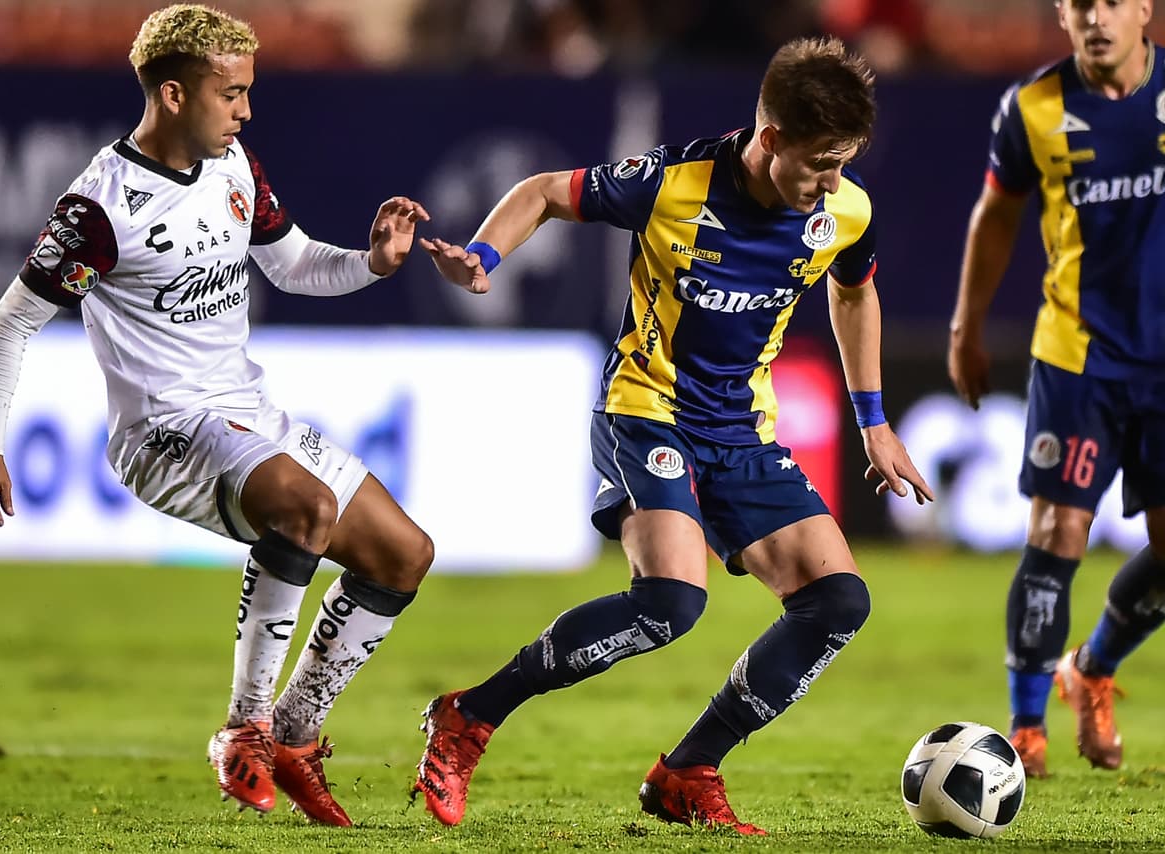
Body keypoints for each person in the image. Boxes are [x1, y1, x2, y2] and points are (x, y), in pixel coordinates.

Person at [412, 36, 933, 834]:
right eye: (821, 163)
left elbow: (855, 292)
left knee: (837, 601)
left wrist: (874, 421)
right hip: (646, 408)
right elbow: (544, 191)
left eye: (844, 164)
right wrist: (483, 255)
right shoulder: (672, 182)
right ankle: (470, 716)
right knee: (670, 601)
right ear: (772, 139)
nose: (832, 182)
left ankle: (689, 771)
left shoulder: (845, 211)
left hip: (741, 430)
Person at [0, 3, 435, 826]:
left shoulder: (233, 163)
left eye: (247, 92)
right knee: (305, 508)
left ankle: (294, 736)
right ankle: (245, 727)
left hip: (245, 412)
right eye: (231, 93)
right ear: (173, 95)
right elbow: (11, 324)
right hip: (165, 432)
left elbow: (293, 264)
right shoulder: (101, 210)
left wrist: (374, 263)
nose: (245, 110)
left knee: (404, 555)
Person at [948, 0, 1165, 780]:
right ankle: (1027, 727)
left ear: (1145, 9)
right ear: (1061, 16)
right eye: (1079, 4)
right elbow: (996, 216)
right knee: (1057, 531)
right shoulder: (1032, 108)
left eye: (1112, 1)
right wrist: (966, 327)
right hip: (1078, 355)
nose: (1096, 18)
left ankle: (1091, 668)